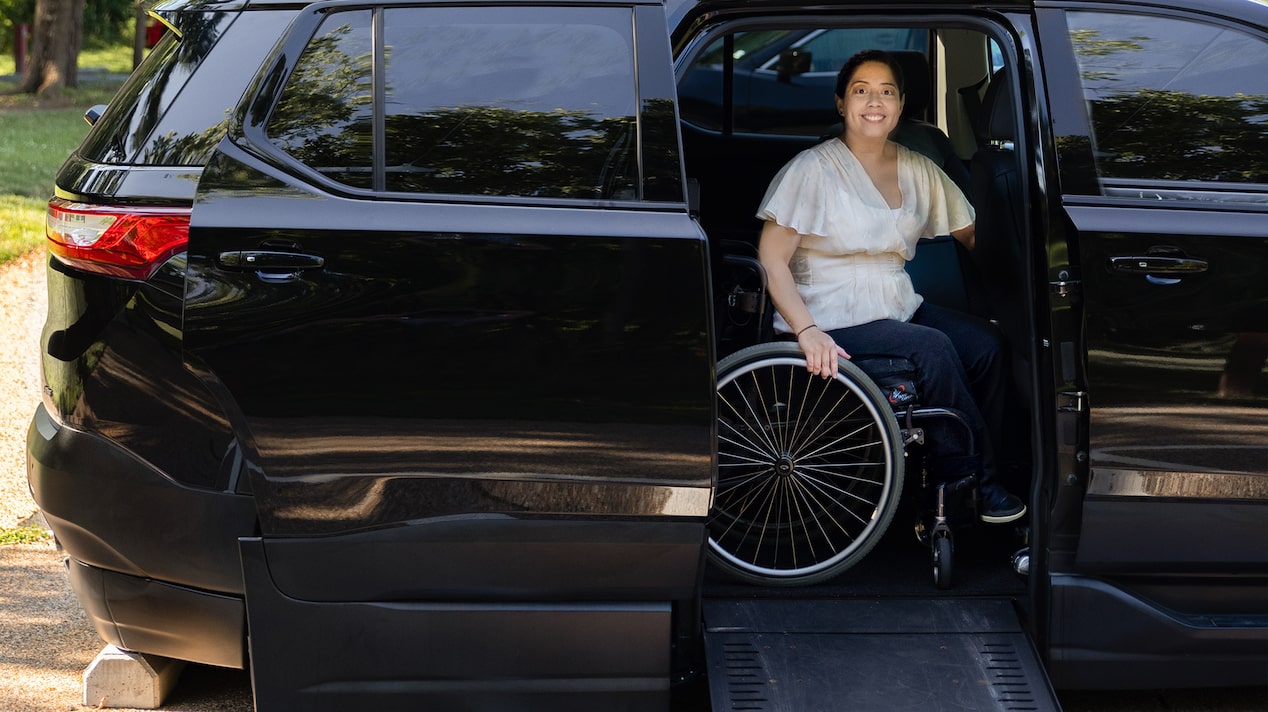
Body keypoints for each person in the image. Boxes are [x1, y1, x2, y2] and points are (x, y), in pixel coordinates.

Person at [755, 49, 1026, 524]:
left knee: (987, 345)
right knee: (933, 348)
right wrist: (806, 330)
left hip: (896, 305)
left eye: (886, 92)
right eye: (861, 91)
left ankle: (995, 465)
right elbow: (772, 260)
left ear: (901, 106)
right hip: (830, 313)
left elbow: (973, 235)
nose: (873, 102)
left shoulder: (919, 168)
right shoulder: (812, 169)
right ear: (842, 103)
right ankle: (970, 482)